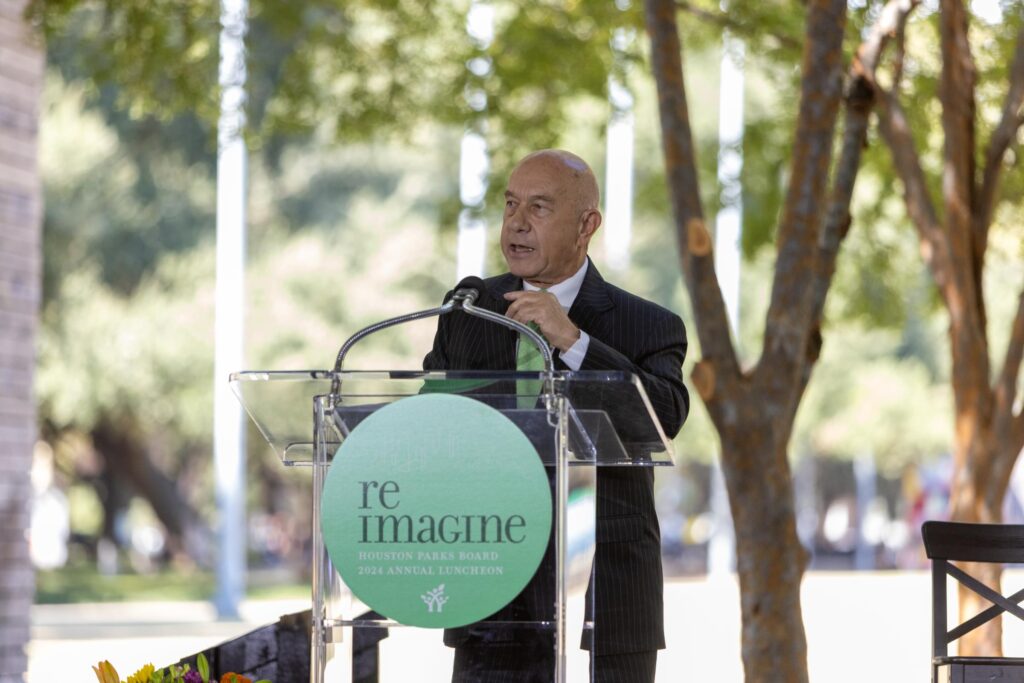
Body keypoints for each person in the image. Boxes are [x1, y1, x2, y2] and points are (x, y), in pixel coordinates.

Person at [424, 149, 689, 683]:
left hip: (606, 599)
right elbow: (431, 427)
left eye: (539, 208)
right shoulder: (468, 313)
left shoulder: (648, 325)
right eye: (510, 205)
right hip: (491, 589)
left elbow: (660, 421)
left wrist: (572, 339)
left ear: (586, 224)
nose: (517, 224)